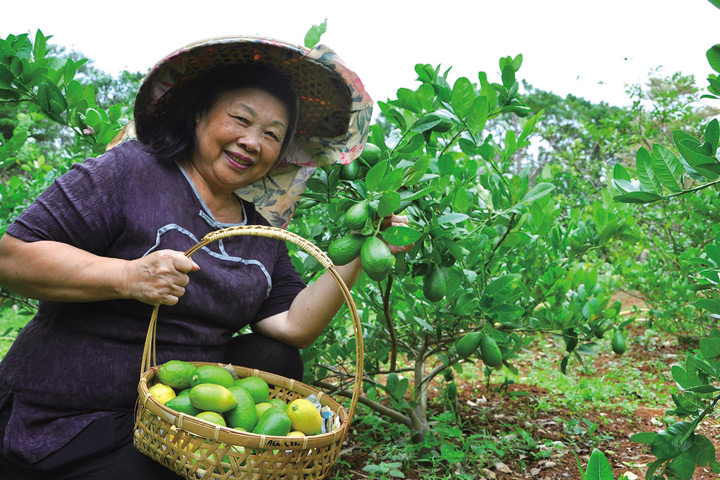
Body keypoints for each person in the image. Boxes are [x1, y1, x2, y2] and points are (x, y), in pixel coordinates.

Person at [0, 35, 408, 479]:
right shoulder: (130, 171)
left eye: (271, 135)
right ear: (198, 114)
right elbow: (11, 258)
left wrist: (366, 252)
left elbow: (293, 325)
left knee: (276, 358)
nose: (252, 142)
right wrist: (125, 276)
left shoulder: (261, 231)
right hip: (68, 415)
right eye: (240, 119)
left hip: (176, 413)